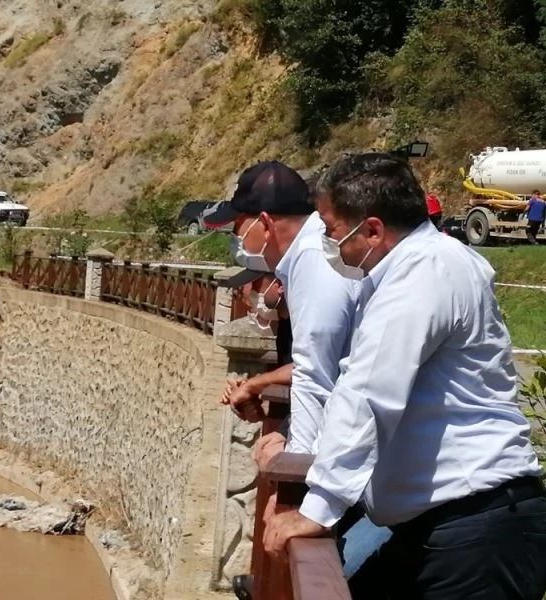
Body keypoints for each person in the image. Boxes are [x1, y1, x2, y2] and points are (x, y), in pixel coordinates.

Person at [262, 152, 546, 600]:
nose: (327, 243)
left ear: (372, 229)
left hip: (478, 531)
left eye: (331, 230)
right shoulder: (416, 268)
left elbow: (370, 390)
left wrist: (317, 508)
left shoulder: (425, 271)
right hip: (446, 526)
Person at [203, 161, 390, 596]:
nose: (236, 238)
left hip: (377, 469)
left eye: (239, 226)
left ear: (265, 224)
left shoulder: (312, 261)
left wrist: (297, 480)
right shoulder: (310, 259)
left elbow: (316, 375)